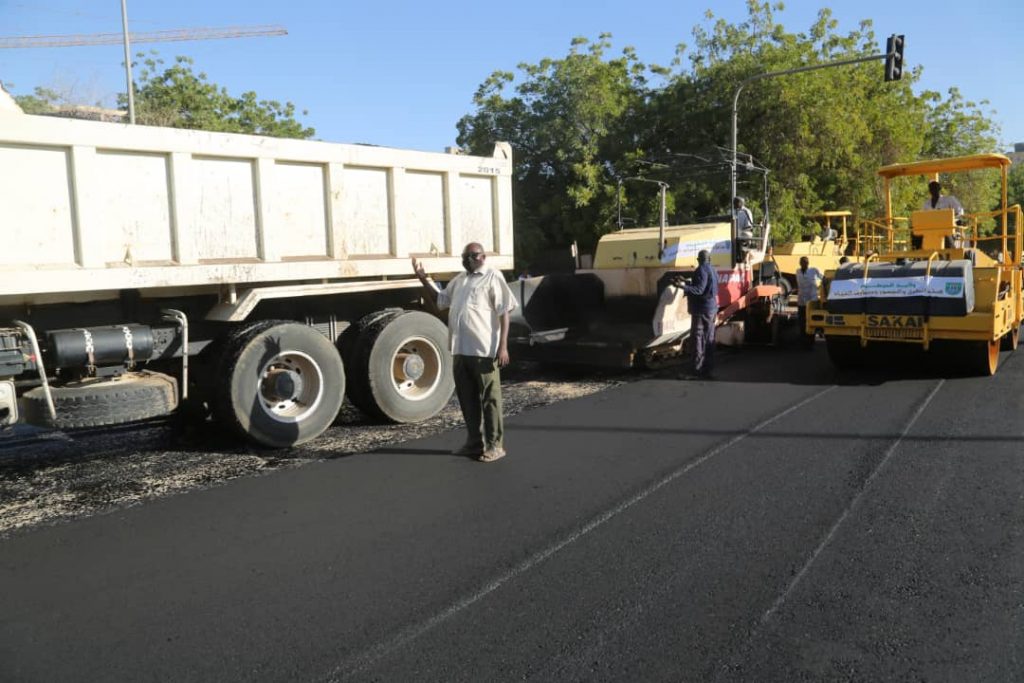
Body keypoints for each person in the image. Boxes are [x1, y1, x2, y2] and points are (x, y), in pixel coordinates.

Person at [412, 243, 517, 462]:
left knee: (490, 399)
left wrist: (503, 346)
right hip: (460, 349)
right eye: (465, 256)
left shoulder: (492, 276)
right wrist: (423, 278)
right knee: (467, 398)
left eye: (473, 255)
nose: (468, 259)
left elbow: (504, 312)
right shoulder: (459, 280)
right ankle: (473, 442)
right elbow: (441, 300)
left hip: (483, 350)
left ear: (483, 256)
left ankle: (495, 445)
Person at [678, 249, 719, 379]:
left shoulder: (701, 270)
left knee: (698, 339)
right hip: (711, 309)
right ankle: (708, 369)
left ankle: (696, 370)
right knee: (709, 339)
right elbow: (705, 286)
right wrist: (687, 281)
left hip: (701, 310)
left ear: (699, 259)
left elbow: (699, 289)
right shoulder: (713, 270)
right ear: (709, 259)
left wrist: (682, 287)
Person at [795, 256, 823, 349]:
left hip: (812, 300)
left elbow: (824, 279)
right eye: (802, 262)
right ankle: (803, 340)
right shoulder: (797, 271)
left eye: (805, 262)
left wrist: (821, 290)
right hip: (801, 301)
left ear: (808, 263)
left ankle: (811, 341)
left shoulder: (814, 270)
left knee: (811, 321)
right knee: (802, 321)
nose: (803, 264)